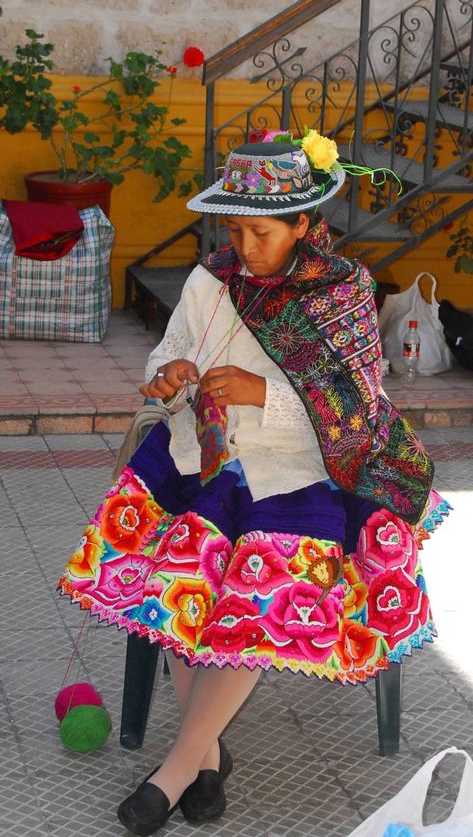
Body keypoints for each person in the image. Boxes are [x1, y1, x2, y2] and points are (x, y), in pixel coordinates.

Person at [58, 131, 450, 836]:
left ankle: (176, 770)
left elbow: (354, 410)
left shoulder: (343, 292)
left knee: (257, 583)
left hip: (301, 469)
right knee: (179, 573)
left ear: (304, 224)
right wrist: (170, 374)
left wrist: (258, 392)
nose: (244, 246)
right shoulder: (211, 280)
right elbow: (170, 349)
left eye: (261, 232)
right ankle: (205, 759)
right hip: (199, 456)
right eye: (234, 230)